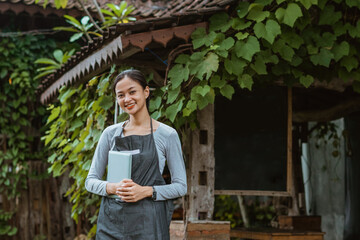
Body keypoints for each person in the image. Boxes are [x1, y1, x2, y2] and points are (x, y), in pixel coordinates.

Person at [85, 69, 187, 240]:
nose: (127, 99)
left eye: (132, 92)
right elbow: (90, 181)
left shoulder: (167, 135)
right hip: (112, 223)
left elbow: (181, 186)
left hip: (149, 224)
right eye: (121, 95)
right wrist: (112, 187)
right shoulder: (110, 134)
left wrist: (146, 191)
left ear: (146, 92)